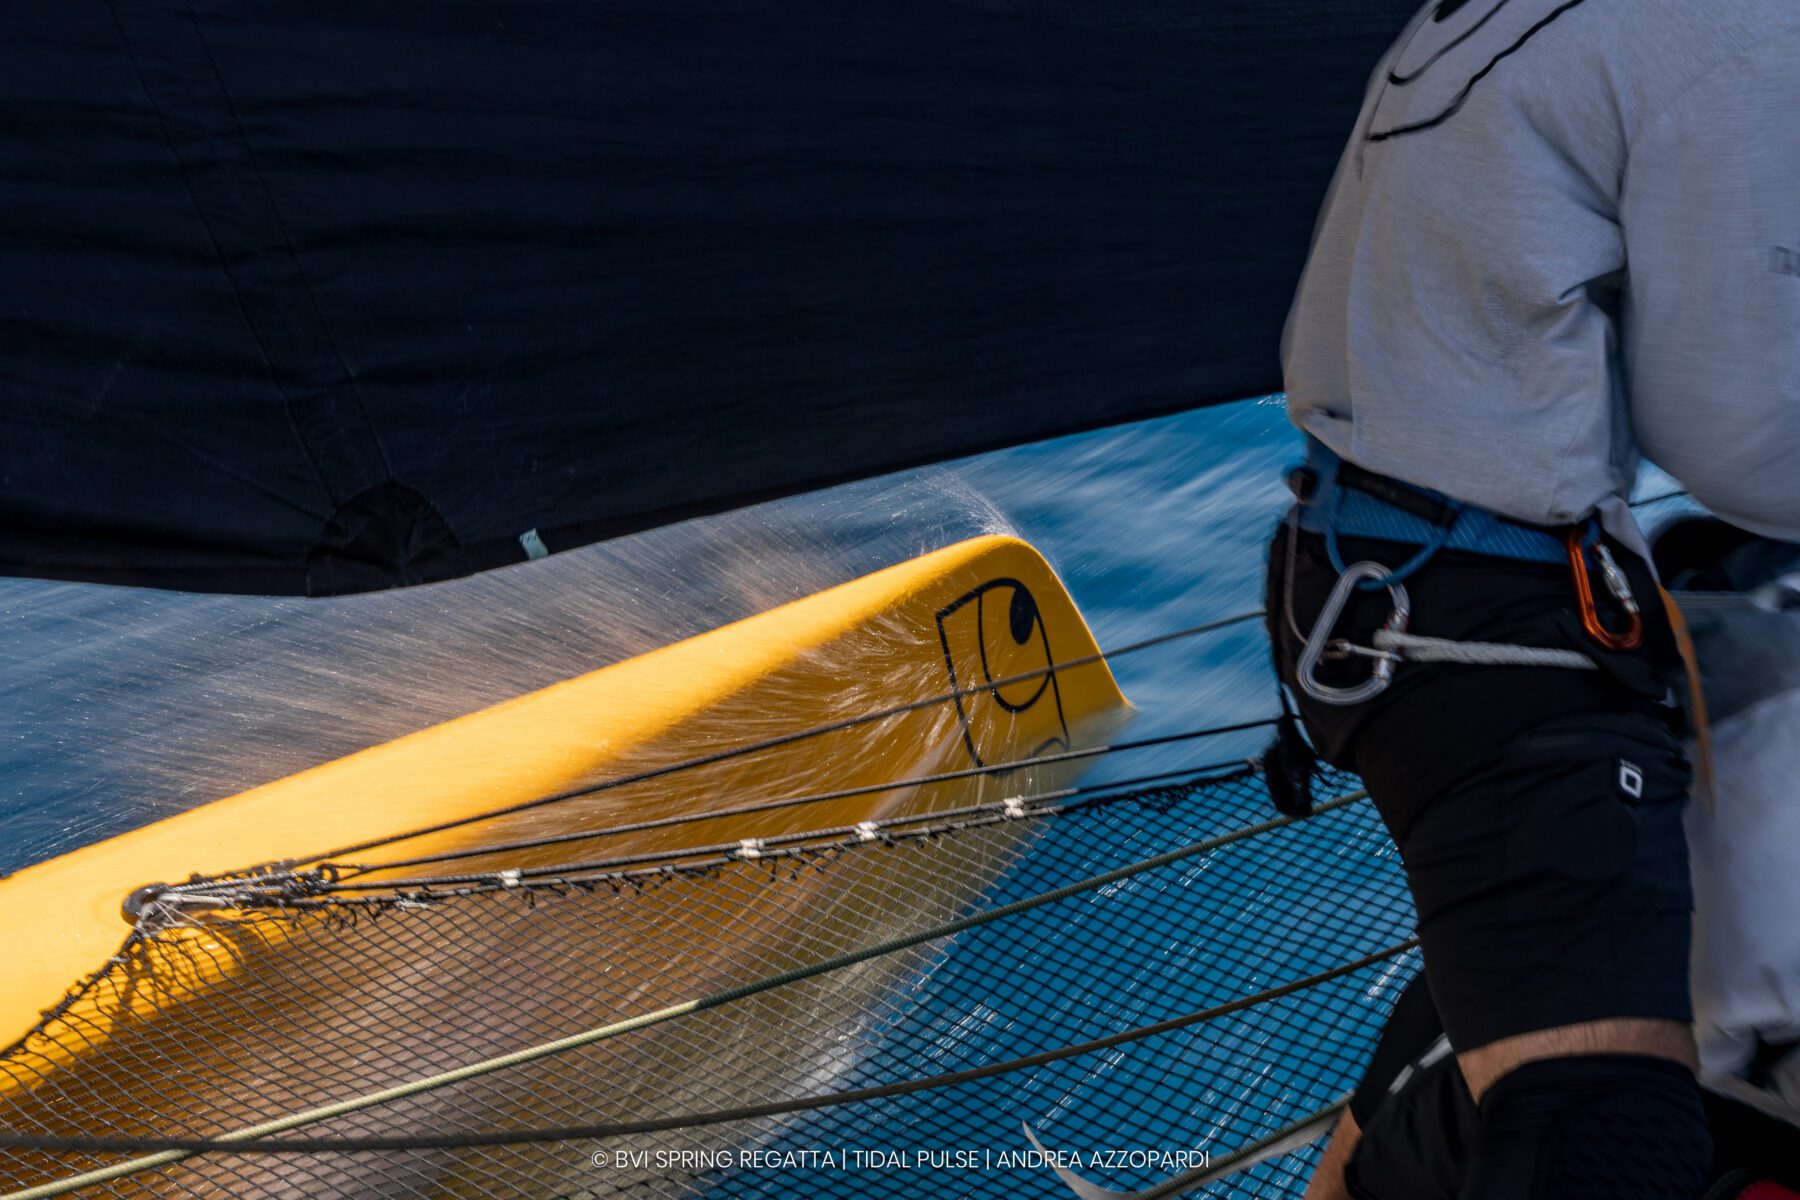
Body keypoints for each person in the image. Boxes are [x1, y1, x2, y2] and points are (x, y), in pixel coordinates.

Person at [1265, 1, 1800, 1195]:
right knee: (1605, 1128)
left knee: (1541, 952)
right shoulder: (1759, 36)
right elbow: (1732, 432)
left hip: (1380, 568)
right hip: (1478, 605)